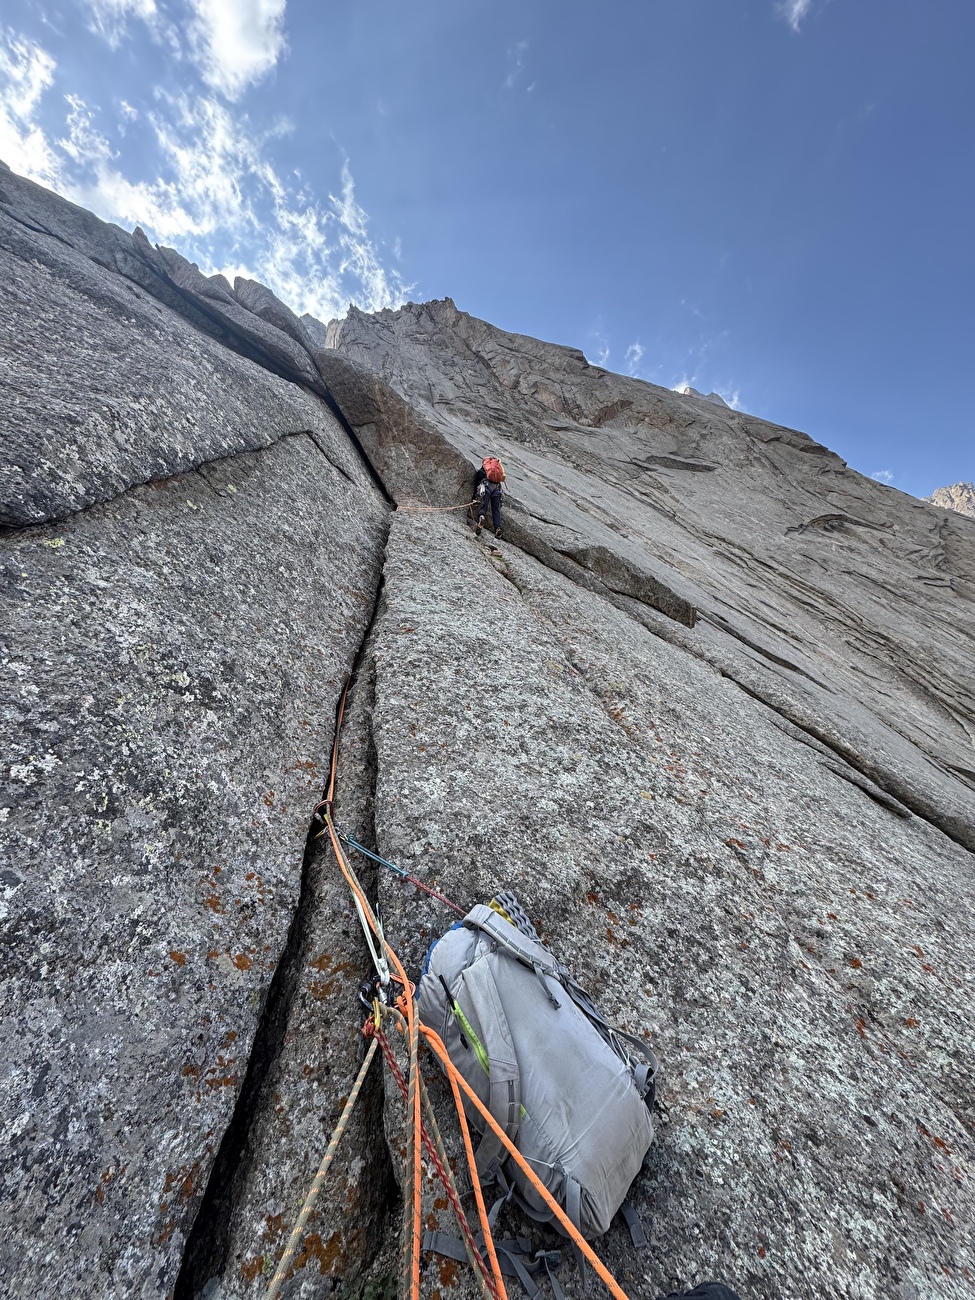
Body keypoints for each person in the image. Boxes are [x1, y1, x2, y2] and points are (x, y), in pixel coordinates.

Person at [473, 456, 505, 538]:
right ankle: (498, 528)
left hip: (486, 486)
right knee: (496, 510)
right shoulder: (497, 471)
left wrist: (474, 497)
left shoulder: (482, 471)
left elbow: (476, 483)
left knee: (483, 505)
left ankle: (481, 518)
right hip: (497, 489)